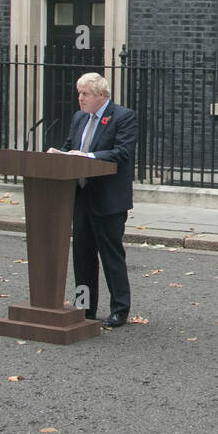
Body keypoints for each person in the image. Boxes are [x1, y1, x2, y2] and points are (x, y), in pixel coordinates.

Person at [48, 72, 138, 328]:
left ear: (102, 95)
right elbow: (70, 148)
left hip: (108, 199)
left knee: (111, 256)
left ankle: (119, 310)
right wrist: (59, 154)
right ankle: (84, 308)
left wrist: (86, 156)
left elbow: (122, 153)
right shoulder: (79, 119)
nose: (80, 98)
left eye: (85, 93)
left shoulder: (123, 117)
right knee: (82, 257)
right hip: (81, 198)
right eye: (79, 93)